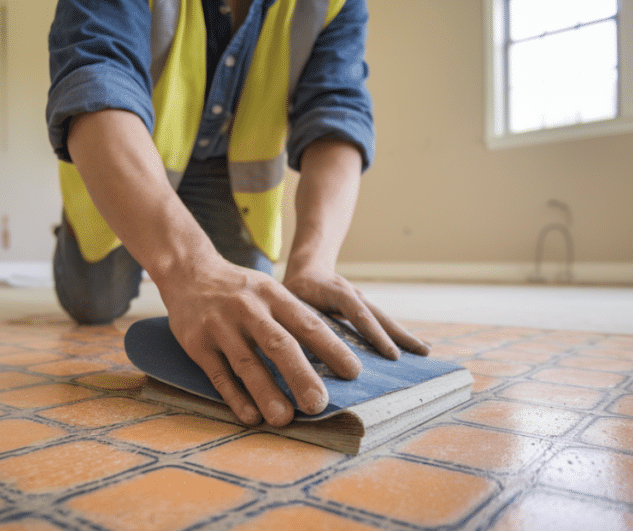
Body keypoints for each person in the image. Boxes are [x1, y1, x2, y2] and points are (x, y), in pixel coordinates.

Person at [46, 0, 429, 429]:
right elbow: (97, 74)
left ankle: (166, 233)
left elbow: (336, 111)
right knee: (93, 304)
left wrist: (313, 265)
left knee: (249, 313)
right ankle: (98, 219)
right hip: (136, 146)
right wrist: (189, 268)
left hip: (225, 174)